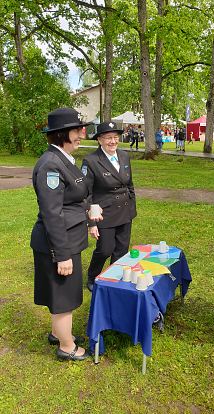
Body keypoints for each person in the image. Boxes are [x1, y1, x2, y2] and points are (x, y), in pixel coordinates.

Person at [31, 108, 98, 361]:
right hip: (59, 243)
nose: (82, 134)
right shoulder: (51, 164)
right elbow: (52, 214)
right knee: (64, 297)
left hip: (67, 239)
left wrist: (89, 208)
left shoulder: (63, 159)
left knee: (61, 293)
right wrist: (62, 255)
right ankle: (67, 346)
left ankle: (58, 333)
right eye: (77, 130)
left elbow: (73, 197)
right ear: (62, 134)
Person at [81, 122, 137, 292]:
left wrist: (132, 204)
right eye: (108, 138)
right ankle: (93, 276)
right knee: (105, 249)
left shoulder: (124, 156)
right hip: (104, 213)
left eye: (115, 137)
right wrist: (91, 222)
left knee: (121, 250)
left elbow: (130, 184)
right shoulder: (91, 161)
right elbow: (85, 193)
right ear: (99, 140)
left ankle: (113, 278)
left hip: (125, 211)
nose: (113, 141)